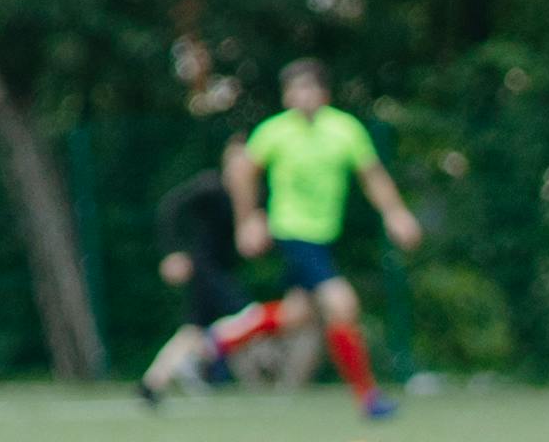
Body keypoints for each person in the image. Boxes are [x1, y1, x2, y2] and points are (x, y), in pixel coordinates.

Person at [228, 64, 417, 423]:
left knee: (294, 315)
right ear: (286, 96)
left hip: (325, 236)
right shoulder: (275, 131)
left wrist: (396, 213)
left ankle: (216, 344)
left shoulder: (344, 129)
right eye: (295, 90)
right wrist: (248, 219)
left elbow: (372, 175)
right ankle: (369, 398)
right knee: (342, 303)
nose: (302, 97)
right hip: (291, 232)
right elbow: (243, 173)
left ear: (324, 94)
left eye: (309, 89)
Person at [138, 158, 291, 405]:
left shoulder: (255, 196)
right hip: (206, 270)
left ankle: (151, 384)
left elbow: (253, 240)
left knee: (192, 330)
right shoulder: (211, 187)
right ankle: (199, 359)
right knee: (249, 317)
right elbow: (171, 208)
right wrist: (173, 251)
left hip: (223, 270)